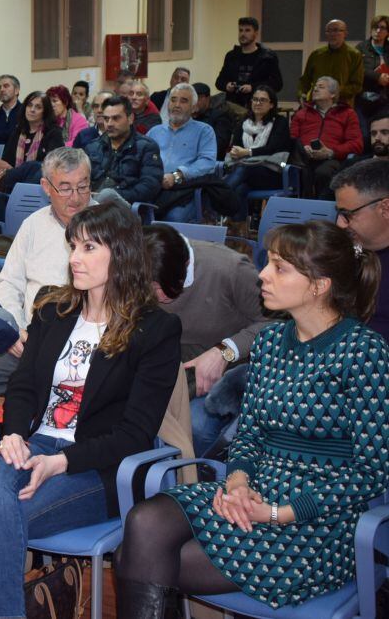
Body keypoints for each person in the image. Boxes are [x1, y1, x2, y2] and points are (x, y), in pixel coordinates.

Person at [117, 220, 388, 614]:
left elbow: (372, 471)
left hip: (319, 523)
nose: (262, 273)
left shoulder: (365, 353)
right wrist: (239, 482)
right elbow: (249, 434)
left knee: (137, 558)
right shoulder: (269, 342)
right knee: (144, 524)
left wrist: (281, 513)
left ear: (319, 285)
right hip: (255, 494)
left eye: (280, 267)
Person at [0, 201, 182, 618]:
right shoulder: (53, 308)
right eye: (73, 247)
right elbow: (22, 385)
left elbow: (135, 433)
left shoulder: (154, 329)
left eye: (88, 249)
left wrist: (59, 462)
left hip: (99, 466)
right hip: (38, 443)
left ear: (122, 255)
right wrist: (12, 435)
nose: (74, 259)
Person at [143, 224, 272, 457]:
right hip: (168, 365)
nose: (157, 298)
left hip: (229, 368)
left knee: (195, 428)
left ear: (186, 266)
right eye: (150, 288)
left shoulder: (230, 270)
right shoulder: (135, 266)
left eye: (164, 288)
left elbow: (275, 324)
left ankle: (194, 480)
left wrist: (225, 351)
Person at [0, 148, 93, 395]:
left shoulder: (107, 227)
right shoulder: (34, 225)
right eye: (65, 188)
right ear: (46, 188)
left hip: (81, 350)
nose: (76, 198)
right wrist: (16, 331)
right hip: (28, 339)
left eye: (83, 186)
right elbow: (9, 284)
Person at [332, 158, 389, 338]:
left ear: (385, 209)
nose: (341, 224)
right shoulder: (346, 250)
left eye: (348, 215)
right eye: (339, 213)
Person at [148, 83, 219, 222]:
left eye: (184, 101)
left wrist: (177, 175)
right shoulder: (155, 131)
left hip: (185, 191)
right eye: (173, 100)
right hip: (154, 189)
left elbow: (207, 163)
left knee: (173, 218)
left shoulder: (204, 131)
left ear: (194, 107)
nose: (177, 105)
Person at [223, 86, 294, 223]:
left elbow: (273, 148)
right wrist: (235, 151)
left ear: (271, 104)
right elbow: (236, 145)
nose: (257, 103)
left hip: (271, 172)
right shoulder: (244, 122)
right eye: (255, 99)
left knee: (244, 168)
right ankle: (241, 230)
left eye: (262, 100)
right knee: (240, 189)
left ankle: (220, 193)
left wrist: (248, 152)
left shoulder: (279, 122)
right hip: (246, 176)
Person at [291, 76, 363, 199]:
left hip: (332, 159)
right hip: (303, 159)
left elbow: (356, 144)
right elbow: (292, 138)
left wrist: (331, 152)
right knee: (300, 172)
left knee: (323, 172)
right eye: (314, 87)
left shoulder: (347, 113)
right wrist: (303, 148)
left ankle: (322, 211)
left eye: (321, 87)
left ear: (333, 94)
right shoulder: (302, 113)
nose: (315, 89)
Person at [84, 95, 163, 206]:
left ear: (130, 119)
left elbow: (150, 186)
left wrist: (117, 194)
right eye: (106, 119)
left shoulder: (146, 147)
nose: (110, 124)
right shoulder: (93, 146)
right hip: (92, 204)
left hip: (125, 206)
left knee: (107, 195)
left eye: (116, 118)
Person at [0, 91, 64, 191]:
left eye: (38, 107)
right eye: (29, 105)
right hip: (13, 180)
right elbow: (7, 162)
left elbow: (54, 166)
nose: (32, 110)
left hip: (40, 184)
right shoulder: (17, 132)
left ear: (45, 111)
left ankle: (21, 190)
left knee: (35, 167)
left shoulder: (53, 133)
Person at [214, 17, 284, 109]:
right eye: (240, 30)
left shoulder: (267, 57)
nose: (243, 34)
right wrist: (227, 85)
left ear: (256, 33)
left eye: (247, 30)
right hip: (233, 108)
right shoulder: (231, 56)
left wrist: (252, 87)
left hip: (258, 108)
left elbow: (277, 84)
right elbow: (219, 82)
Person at [298, 19, 364, 106]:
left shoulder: (354, 55)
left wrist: (332, 91)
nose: (332, 34)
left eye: (336, 30)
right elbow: (305, 79)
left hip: (341, 106)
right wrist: (302, 94)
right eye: (329, 31)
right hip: (316, 106)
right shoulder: (317, 54)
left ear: (345, 33)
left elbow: (357, 86)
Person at [356, 15, 389, 138]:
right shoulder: (361, 48)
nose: (378, 31)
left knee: (382, 134)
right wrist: (377, 76)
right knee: (365, 134)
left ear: (387, 32)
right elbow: (357, 70)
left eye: (382, 28)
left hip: (385, 99)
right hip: (365, 99)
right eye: (375, 27)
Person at [192, 82, 239, 160]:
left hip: (208, 162)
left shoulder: (220, 117)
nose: (194, 101)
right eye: (192, 98)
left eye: (198, 97)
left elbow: (218, 146)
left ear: (208, 99)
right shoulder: (186, 117)